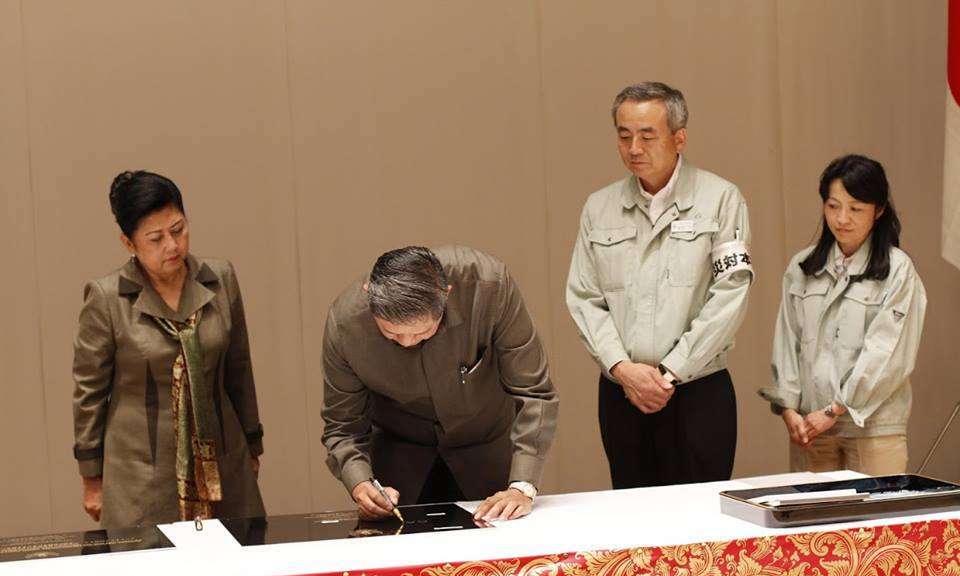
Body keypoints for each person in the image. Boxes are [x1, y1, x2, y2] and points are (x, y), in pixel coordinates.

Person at [566, 81, 754, 489]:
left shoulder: (721, 199)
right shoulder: (599, 207)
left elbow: (730, 296)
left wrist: (669, 373)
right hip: (623, 393)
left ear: (679, 138)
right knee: (633, 515)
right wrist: (622, 369)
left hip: (697, 391)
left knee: (698, 518)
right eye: (624, 136)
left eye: (647, 136)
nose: (634, 148)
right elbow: (584, 297)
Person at [73, 170, 265, 528]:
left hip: (223, 464)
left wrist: (252, 445)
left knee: (237, 557)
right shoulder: (107, 298)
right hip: (141, 477)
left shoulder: (220, 279)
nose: (172, 245)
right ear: (129, 243)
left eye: (178, 229)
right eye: (156, 238)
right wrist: (91, 477)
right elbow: (89, 395)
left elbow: (239, 369)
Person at [321, 245, 558, 521]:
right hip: (400, 464)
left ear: (446, 294)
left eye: (422, 332)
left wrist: (522, 486)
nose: (407, 342)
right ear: (367, 295)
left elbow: (534, 392)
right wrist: (360, 482)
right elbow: (342, 425)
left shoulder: (489, 287)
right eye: (391, 334)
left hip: (488, 454)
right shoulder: (345, 324)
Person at [759, 155, 926, 474]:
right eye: (833, 206)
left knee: (874, 509)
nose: (842, 218)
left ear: (878, 210)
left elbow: (887, 354)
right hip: (810, 428)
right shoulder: (802, 267)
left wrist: (835, 409)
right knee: (814, 509)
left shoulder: (897, 271)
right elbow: (787, 342)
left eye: (856, 209)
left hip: (873, 428)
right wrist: (789, 408)